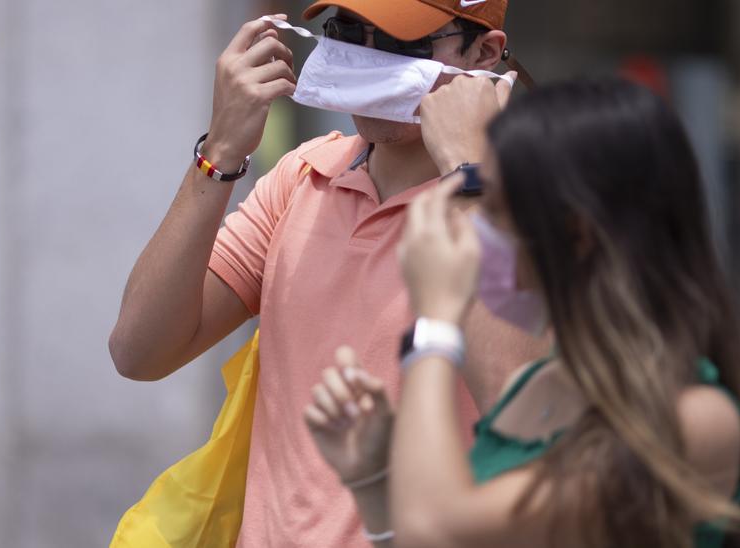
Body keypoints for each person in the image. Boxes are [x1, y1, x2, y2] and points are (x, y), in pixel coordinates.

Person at [304, 77, 740, 547]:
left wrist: (436, 325)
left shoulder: (695, 420)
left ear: (577, 234)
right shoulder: (533, 389)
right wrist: (373, 480)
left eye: (493, 210)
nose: (479, 232)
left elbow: (440, 529)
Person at [109, 0, 545, 545]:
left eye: (396, 40)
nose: (361, 57)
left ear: (483, 54)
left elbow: (526, 418)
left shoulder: (536, 203)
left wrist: (469, 177)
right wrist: (221, 151)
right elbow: (139, 350)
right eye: (346, 32)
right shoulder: (304, 174)